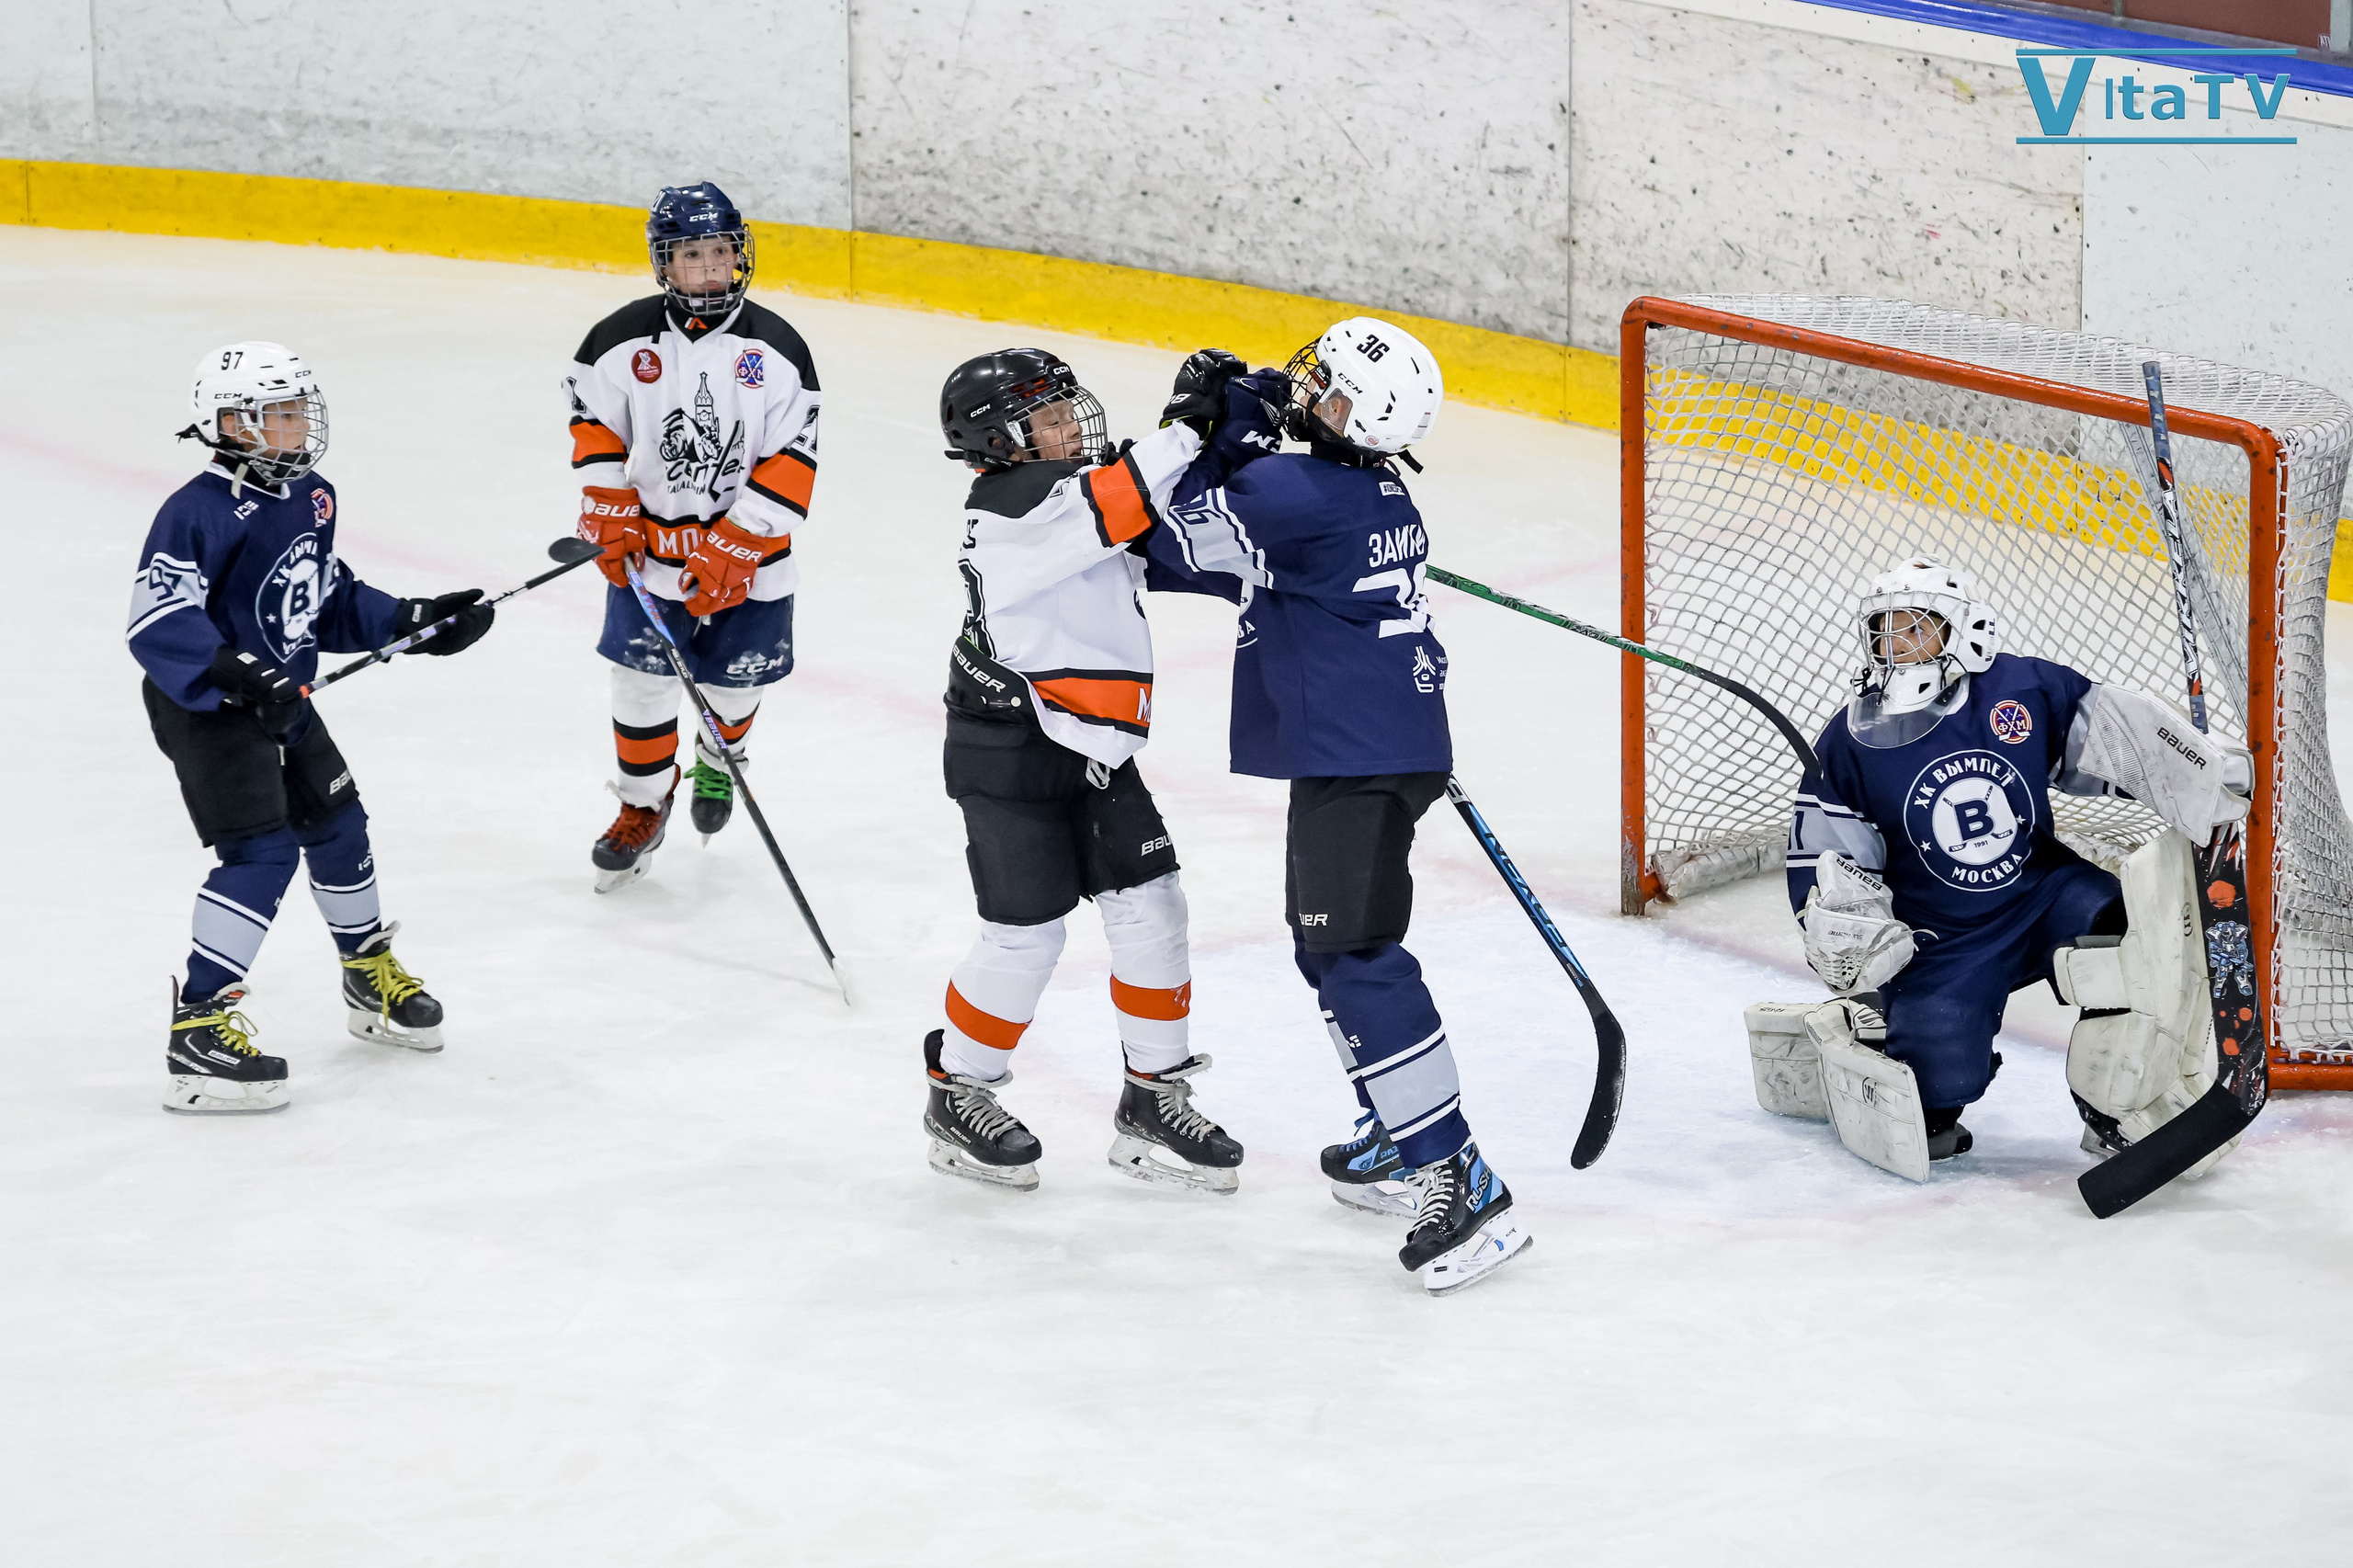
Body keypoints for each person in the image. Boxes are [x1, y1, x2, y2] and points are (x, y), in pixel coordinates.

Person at [1142, 318, 1532, 1296]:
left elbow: (1166, 536)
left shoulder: (1296, 489)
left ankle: (1457, 1172)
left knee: (1355, 954)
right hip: (1377, 746)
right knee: (1327, 947)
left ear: (1365, 417)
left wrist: (1197, 426)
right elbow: (1228, 550)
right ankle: (1400, 1139)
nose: (1308, 387)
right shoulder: (1369, 485)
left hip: (1359, 756)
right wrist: (1240, 433)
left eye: (1329, 387)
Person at [1773, 558, 2253, 1176]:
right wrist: (1848, 929)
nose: (1897, 645)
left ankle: (2117, 1113)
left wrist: (2200, 771)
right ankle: (1869, 1032)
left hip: (2041, 894)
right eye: (1885, 630)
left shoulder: (2022, 690)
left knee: (2125, 934)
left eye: (1916, 628)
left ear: (1963, 631)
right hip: (1940, 941)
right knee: (1931, 1107)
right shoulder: (1851, 740)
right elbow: (1827, 859)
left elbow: (2119, 740)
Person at [130, 341, 494, 1114]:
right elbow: (157, 620)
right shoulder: (194, 512)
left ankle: (366, 975)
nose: (300, 426)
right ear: (232, 424)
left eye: (300, 410)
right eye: (282, 414)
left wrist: (414, 621)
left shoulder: (312, 497)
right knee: (261, 853)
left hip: (283, 700)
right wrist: (236, 673)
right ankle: (197, 1027)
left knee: (339, 824)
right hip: (212, 709)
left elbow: (320, 599)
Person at [920, 347, 1245, 1195]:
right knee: (1026, 934)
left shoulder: (1068, 497)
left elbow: (1155, 528)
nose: (1073, 427)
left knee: (1153, 906)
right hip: (1009, 750)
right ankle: (960, 1090)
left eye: (1069, 410)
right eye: (1052, 419)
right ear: (1003, 441)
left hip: (1091, 748)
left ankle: (1153, 1097)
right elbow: (1126, 497)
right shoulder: (1017, 507)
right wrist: (1186, 424)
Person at [567, 182, 822, 890]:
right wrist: (610, 509)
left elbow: (793, 457)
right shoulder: (618, 341)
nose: (708, 269)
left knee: (731, 695)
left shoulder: (778, 350)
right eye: (690, 256)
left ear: (740, 256)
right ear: (663, 264)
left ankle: (720, 756)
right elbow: (595, 429)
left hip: (753, 567)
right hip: (652, 563)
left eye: (719, 252)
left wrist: (740, 541)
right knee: (639, 688)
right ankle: (643, 807)